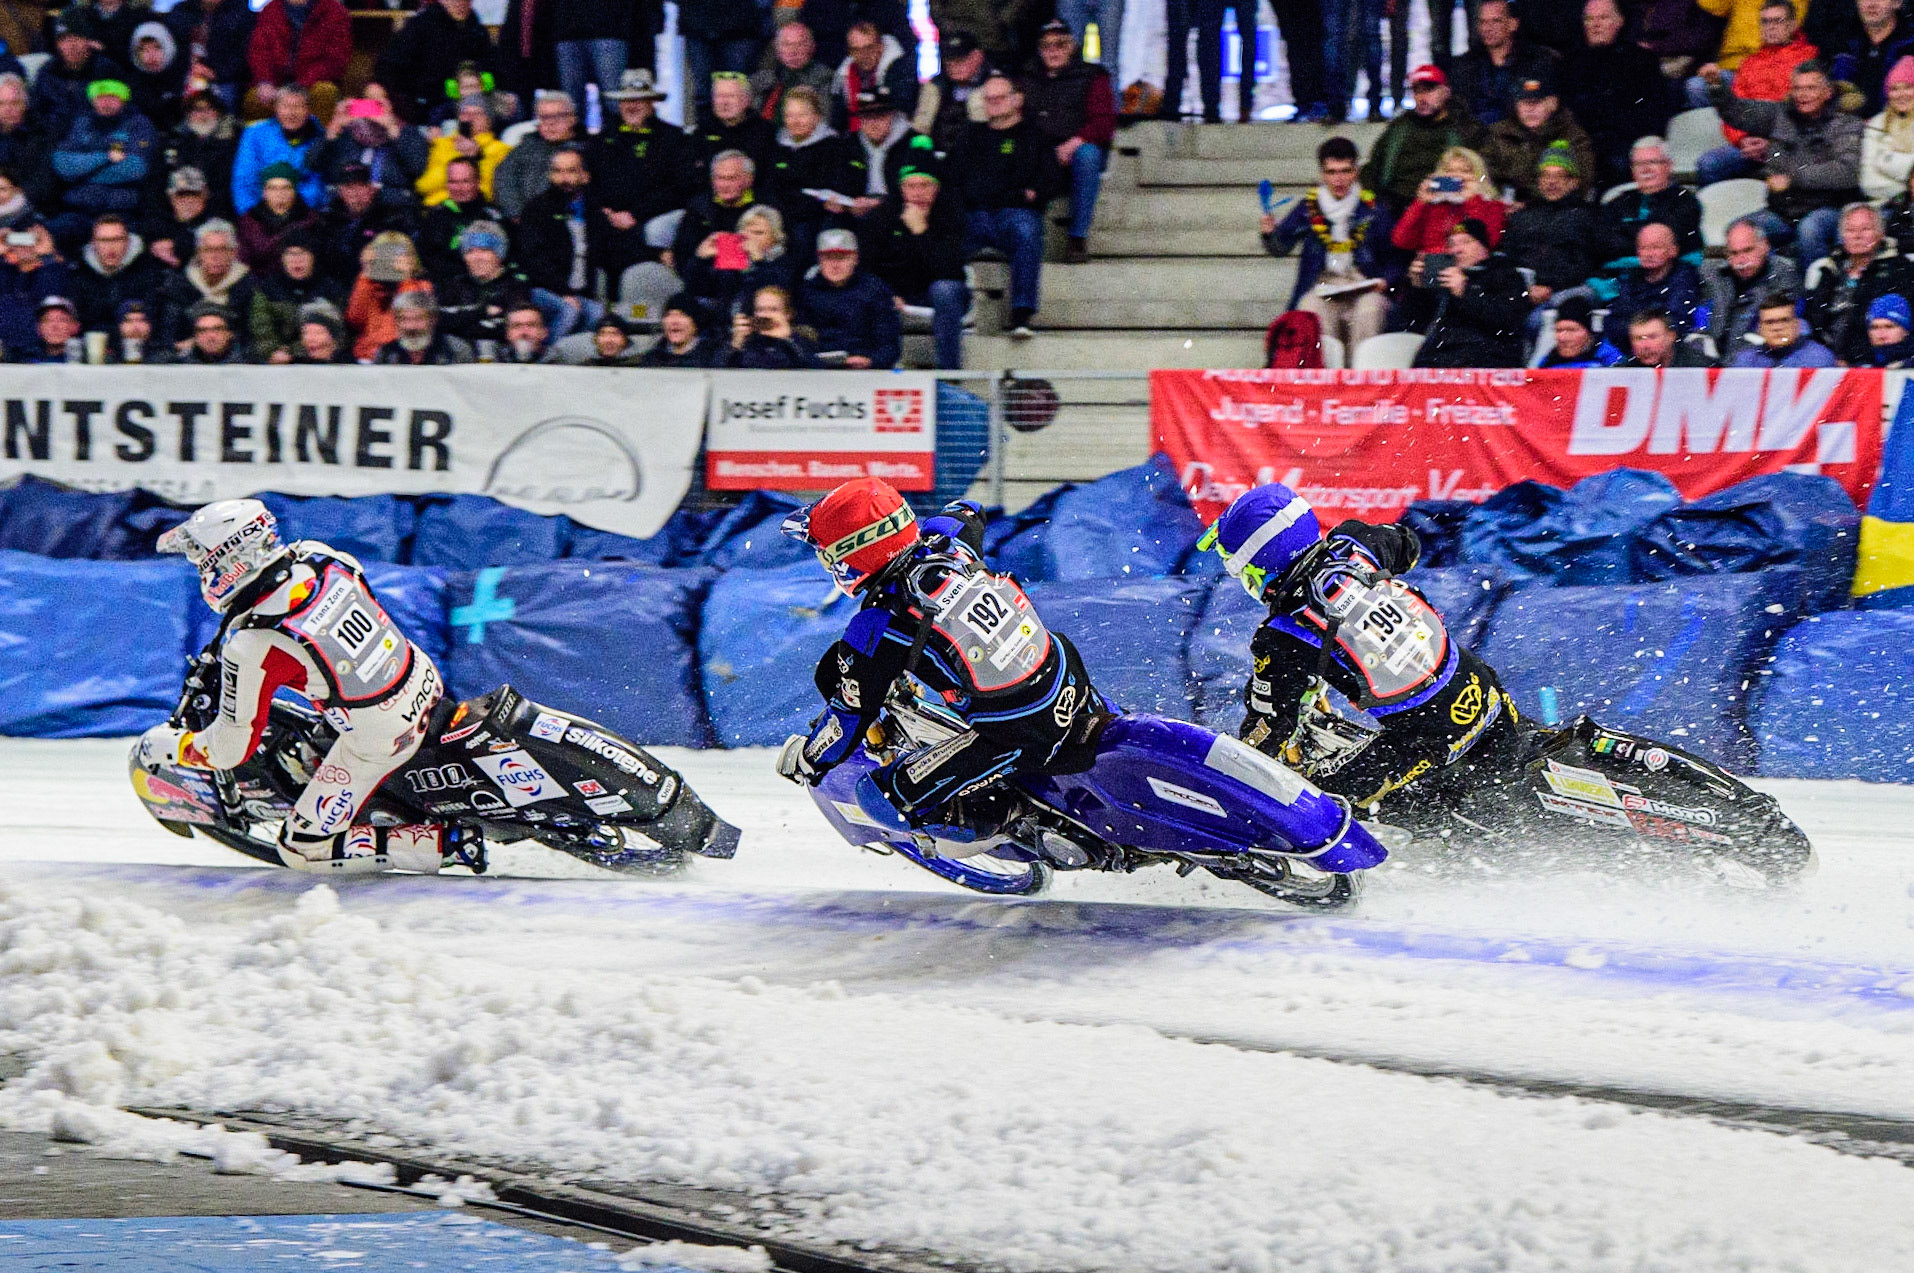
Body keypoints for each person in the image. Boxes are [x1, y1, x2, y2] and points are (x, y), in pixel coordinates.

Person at [778, 479, 1105, 842]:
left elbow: (847, 721)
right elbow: (969, 509)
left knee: (882, 799)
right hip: (1066, 673)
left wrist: (808, 760)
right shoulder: (952, 542)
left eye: (828, 555)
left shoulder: (877, 626)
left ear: (853, 555)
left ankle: (1012, 818)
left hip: (1021, 729)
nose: (828, 565)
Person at [139, 500, 449, 874]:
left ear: (227, 560)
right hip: (420, 676)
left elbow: (230, 749)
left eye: (202, 560)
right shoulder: (322, 557)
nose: (200, 569)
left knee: (300, 850)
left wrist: (177, 748)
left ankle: (444, 844)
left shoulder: (255, 643)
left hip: (382, 737)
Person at [1199, 481, 1521, 813]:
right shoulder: (1355, 541)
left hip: (1429, 737)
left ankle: (1432, 836)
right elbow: (1408, 544)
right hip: (1482, 685)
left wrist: (1229, 782)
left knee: (1312, 799)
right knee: (1513, 766)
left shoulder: (1280, 635)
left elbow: (1267, 733)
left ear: (1258, 568)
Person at [1706, 58, 1862, 266]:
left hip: (1829, 210)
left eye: (1810, 88)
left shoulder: (1848, 123)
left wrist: (1793, 178)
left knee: (1809, 229)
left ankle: (1813, 294)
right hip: (1782, 212)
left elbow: (1846, 172)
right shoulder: (1779, 114)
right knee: (1738, 231)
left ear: (1828, 92)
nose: (1802, 95)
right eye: (1797, 88)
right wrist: (1717, 86)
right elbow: (1737, 112)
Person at [1259, 135, 1393, 357]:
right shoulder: (1308, 207)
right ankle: (1323, 381)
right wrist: (1269, 233)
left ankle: (1360, 381)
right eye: (1332, 172)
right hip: (1324, 285)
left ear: (1355, 172)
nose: (1338, 179)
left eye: (1345, 171)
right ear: (1322, 174)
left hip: (1363, 284)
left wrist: (1386, 280)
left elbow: (1394, 256)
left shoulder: (1373, 208)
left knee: (1370, 311)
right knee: (1309, 310)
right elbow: (1280, 247)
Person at [955, 74, 1050, 338]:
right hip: (976, 214)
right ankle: (959, 312)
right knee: (948, 235)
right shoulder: (970, 136)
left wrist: (1003, 192)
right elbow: (958, 181)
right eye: (989, 99)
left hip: (1016, 215)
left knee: (1027, 232)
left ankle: (1021, 315)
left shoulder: (1034, 136)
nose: (994, 103)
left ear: (1016, 99)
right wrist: (1015, 191)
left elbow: (1045, 181)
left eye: (1000, 97)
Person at [1692, 0, 1818, 186]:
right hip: (1749, 144)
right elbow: (1731, 109)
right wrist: (1742, 140)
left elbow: (1807, 112)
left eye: (1778, 21)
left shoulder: (1809, 60)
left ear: (1792, 24)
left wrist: (1772, 141)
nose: (1771, 27)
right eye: (1765, 22)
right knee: (1707, 164)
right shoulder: (1749, 64)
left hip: (1789, 144)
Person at [1023, 20, 1113, 264]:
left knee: (1088, 154)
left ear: (1072, 46)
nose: (1053, 51)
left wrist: (1073, 143)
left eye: (1060, 44)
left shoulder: (1092, 75)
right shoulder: (1026, 76)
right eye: (1046, 45)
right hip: (1037, 151)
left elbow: (1104, 123)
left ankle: (1077, 238)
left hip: (1074, 151)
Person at [1560, 0, 1675, 189]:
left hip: (1625, 142)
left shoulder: (1642, 60)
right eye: (1589, 19)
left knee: (1618, 163)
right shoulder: (1569, 63)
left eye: (1603, 18)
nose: (1595, 25)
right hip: (1581, 141)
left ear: (1619, 21)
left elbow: (1656, 112)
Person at [865, 163, 969, 370]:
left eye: (924, 185)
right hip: (895, 294)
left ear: (936, 188)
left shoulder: (952, 215)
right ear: (901, 189)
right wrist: (888, 293)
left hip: (937, 292)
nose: (918, 192)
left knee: (945, 290)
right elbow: (870, 265)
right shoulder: (881, 217)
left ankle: (948, 373)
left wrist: (921, 231)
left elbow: (951, 271)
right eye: (911, 186)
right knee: (871, 296)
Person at [1358, 65, 1487, 212]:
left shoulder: (1465, 129)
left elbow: (1482, 175)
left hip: (1445, 206)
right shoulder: (1400, 127)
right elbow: (1373, 166)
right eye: (1417, 91)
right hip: (1394, 204)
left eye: (1429, 90)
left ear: (1446, 92)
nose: (1422, 98)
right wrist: (1373, 197)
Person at [1406, 217, 1532, 367]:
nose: (1456, 250)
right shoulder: (1444, 277)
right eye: (1451, 244)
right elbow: (1411, 324)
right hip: (1441, 358)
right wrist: (1417, 287)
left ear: (1484, 248)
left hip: (1487, 358)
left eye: (1466, 242)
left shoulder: (1506, 275)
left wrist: (1465, 292)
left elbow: (1508, 320)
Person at [517, 144, 610, 335]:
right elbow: (534, 260)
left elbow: (610, 251)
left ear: (585, 176)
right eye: (558, 171)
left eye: (571, 171)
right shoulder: (536, 209)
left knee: (597, 312)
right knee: (569, 311)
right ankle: (548, 358)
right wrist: (563, 292)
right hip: (543, 290)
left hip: (581, 292)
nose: (563, 178)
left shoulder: (595, 211)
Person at [1804, 200, 1914, 362]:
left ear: (1881, 233)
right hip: (1826, 358)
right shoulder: (1830, 269)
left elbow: (1899, 329)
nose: (1857, 236)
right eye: (1850, 230)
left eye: (1866, 229)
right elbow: (1814, 320)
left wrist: (1848, 359)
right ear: (1842, 236)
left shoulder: (1900, 269)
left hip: (1875, 358)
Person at [1499, 142, 1602, 313]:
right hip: (1521, 292)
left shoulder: (1587, 216)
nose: (1551, 182)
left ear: (1574, 182)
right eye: (1546, 176)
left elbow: (1586, 262)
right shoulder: (1522, 216)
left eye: (1560, 176)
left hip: (1565, 292)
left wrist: (1550, 286)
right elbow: (1508, 258)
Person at [50, 78, 157, 237]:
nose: (105, 102)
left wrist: (81, 173)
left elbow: (135, 168)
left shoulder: (138, 124)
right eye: (100, 97)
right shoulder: (81, 124)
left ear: (123, 98)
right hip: (78, 210)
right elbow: (62, 165)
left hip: (122, 211)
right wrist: (105, 158)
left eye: (112, 97)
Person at [373, 0, 497, 125]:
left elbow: (491, 73)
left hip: (473, 111)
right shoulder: (419, 27)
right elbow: (389, 67)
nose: (460, 3)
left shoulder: (478, 31)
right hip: (425, 114)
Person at [1482, 76, 1596, 202]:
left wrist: (1530, 203)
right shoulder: (1498, 135)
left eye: (1537, 102)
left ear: (1553, 103)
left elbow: (1582, 180)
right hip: (1506, 206)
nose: (1530, 109)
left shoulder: (1573, 136)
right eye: (1524, 103)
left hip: (1556, 208)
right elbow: (1483, 175)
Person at [1447, 0, 1562, 126]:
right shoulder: (1465, 65)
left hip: (1521, 139)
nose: (1487, 28)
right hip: (1475, 141)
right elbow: (1458, 111)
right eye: (1483, 22)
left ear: (1513, 24)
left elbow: (1550, 108)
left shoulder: (1538, 61)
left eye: (1496, 21)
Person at [798, 226, 900, 368]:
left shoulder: (875, 290)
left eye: (842, 258)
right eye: (828, 258)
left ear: (855, 258)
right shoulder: (807, 292)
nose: (835, 265)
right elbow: (802, 339)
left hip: (866, 369)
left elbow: (889, 343)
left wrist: (872, 362)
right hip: (818, 371)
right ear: (819, 260)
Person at [1598, 137, 1706, 269]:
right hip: (1617, 276)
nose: (1645, 169)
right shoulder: (1619, 202)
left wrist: (1625, 235)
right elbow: (1601, 242)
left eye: (1652, 162)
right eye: (1638, 164)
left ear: (1668, 166)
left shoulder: (1685, 201)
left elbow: (1663, 243)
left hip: (1669, 277)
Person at [1703, 215, 1803, 345]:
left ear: (1765, 246)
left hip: (1759, 358)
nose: (1741, 260)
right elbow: (1699, 315)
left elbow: (1780, 331)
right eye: (1734, 253)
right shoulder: (1712, 274)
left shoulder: (1784, 277)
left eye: (1748, 250)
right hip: (1708, 359)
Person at [245, 0, 349, 124]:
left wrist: (300, 86)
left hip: (313, 83)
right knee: (254, 99)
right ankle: (262, 142)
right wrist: (265, 81)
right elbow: (259, 50)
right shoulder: (270, 10)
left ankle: (320, 141)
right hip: (277, 83)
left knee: (325, 92)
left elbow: (335, 59)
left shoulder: (334, 11)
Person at [317, 85, 428, 201]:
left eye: (378, 102)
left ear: (390, 104)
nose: (373, 106)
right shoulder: (347, 132)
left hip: (392, 204)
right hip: (349, 203)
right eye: (368, 101)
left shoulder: (407, 133)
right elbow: (313, 164)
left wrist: (393, 130)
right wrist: (332, 130)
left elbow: (417, 168)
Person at [1389, 145, 1505, 255]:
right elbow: (1401, 241)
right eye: (1449, 171)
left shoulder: (1493, 206)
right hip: (1433, 266)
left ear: (1478, 176)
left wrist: (1472, 202)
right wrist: (1420, 203)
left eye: (1465, 171)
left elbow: (1487, 243)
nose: (1457, 176)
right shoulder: (1433, 205)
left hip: (1471, 270)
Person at [314, 160, 413, 287]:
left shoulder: (390, 219)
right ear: (340, 191)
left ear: (371, 189)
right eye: (349, 187)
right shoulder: (326, 220)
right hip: (333, 289)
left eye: (361, 186)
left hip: (376, 288)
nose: (355, 193)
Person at [231, 82, 325, 214]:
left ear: (308, 110)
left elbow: (316, 183)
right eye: (285, 106)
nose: (291, 113)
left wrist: (296, 214)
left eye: (298, 106)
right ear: (276, 108)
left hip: (302, 215)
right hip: (259, 214)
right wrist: (251, 217)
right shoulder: (254, 133)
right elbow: (244, 181)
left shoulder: (319, 136)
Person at [159, 216, 256, 343]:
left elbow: (251, 336)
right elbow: (169, 336)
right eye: (209, 250)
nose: (215, 256)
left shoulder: (250, 287)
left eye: (222, 249)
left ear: (233, 253)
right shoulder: (179, 286)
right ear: (198, 253)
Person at [250, 229, 341, 360]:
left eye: (303, 253)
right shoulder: (267, 290)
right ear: (282, 258)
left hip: (321, 359)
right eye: (290, 254)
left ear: (313, 256)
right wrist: (273, 352)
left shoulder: (331, 290)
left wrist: (293, 353)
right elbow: (261, 329)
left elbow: (339, 334)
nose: (297, 260)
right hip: (276, 361)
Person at [70, 211, 167, 334]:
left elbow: (153, 317)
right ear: (93, 244)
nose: (111, 247)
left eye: (117, 239)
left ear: (128, 241)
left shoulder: (148, 272)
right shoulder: (79, 274)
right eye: (104, 240)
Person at [414, 155, 504, 284]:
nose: (459, 188)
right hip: (445, 284)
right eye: (453, 182)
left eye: (465, 181)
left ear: (477, 182)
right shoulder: (436, 215)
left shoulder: (493, 216)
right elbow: (427, 257)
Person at [493, 91, 578, 221]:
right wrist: (517, 213)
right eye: (544, 117)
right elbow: (504, 177)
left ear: (573, 119)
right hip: (521, 220)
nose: (551, 123)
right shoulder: (525, 147)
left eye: (558, 116)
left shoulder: (586, 149)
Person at [1610, 221, 1706, 332]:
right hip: (1632, 341)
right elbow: (1616, 319)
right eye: (1643, 248)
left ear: (1673, 250)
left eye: (1656, 247)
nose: (1649, 254)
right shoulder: (1630, 278)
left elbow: (1677, 321)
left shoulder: (1686, 279)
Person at [164, 0, 255, 111]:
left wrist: (214, 73)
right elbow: (171, 52)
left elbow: (244, 56)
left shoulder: (241, 12)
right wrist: (189, 69)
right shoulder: (180, 12)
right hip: (184, 75)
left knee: (226, 96)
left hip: (224, 79)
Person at [417, 96, 507, 207]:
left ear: (489, 120)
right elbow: (423, 186)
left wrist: (477, 157)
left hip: (474, 210)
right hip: (436, 209)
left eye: (477, 114)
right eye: (464, 113)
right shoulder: (442, 144)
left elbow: (487, 192)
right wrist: (457, 155)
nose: (469, 118)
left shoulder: (500, 150)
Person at [679, 0, 759, 127]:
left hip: (740, 22)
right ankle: (706, 139)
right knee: (703, 94)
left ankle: (743, 141)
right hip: (696, 21)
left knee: (739, 92)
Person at [830, 19, 918, 132]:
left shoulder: (901, 71)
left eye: (869, 48)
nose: (864, 55)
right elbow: (838, 119)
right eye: (856, 50)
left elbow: (901, 108)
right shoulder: (844, 76)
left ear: (880, 46)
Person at [1829, 0, 1914, 116]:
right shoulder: (1841, 41)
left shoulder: (1910, 43)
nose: (1871, 4)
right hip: (1846, 126)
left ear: (1897, 2)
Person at [160, 91, 239, 212]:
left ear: (218, 113)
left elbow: (228, 187)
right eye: (197, 109)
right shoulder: (174, 143)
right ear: (188, 114)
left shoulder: (233, 145)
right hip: (174, 210)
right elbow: (161, 179)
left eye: (209, 109)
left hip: (217, 211)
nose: (203, 115)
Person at [913, 28, 991, 151]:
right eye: (949, 61)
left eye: (960, 60)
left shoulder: (995, 84)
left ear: (977, 56)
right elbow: (919, 131)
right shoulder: (935, 88)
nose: (954, 66)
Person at [694, 72, 780, 179]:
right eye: (719, 96)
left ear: (746, 100)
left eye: (731, 96)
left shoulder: (766, 132)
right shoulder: (702, 131)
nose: (724, 102)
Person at [235, 162, 317, 268]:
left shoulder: (311, 220)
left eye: (286, 188)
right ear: (264, 192)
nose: (279, 194)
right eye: (272, 188)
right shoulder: (248, 222)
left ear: (295, 191)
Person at [753, 20, 833, 122]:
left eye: (800, 44)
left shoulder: (825, 78)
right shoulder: (766, 76)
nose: (793, 51)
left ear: (812, 47)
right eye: (787, 45)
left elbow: (823, 120)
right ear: (777, 49)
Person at [722, 283, 818, 367]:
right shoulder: (747, 342)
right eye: (760, 310)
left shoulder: (802, 339)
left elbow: (817, 370)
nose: (765, 315)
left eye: (773, 309)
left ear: (787, 314)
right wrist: (735, 346)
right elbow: (716, 372)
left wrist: (788, 339)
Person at [1731, 290, 1837, 364]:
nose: (1777, 328)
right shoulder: (1745, 361)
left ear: (1797, 324)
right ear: (1759, 329)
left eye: (1784, 320)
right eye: (1770, 322)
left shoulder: (1819, 359)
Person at [372, 288, 472, 364]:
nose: (411, 327)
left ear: (433, 320)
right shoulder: (386, 354)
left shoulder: (456, 350)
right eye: (404, 319)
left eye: (418, 319)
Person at [1862, 55, 1914, 199]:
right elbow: (1869, 182)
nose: (1901, 94)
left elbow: (1883, 164)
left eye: (1908, 87)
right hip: (1885, 207)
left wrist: (1885, 161)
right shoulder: (1876, 124)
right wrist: (1907, 188)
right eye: (1894, 89)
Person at [1538, 294, 1625, 365]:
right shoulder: (1548, 361)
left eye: (1571, 330)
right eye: (1558, 330)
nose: (1562, 337)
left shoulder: (1610, 359)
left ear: (1589, 333)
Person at [1622, 305, 1720, 365]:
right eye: (1638, 338)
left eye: (1652, 337)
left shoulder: (1700, 368)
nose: (1645, 345)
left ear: (1671, 336)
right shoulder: (1623, 374)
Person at [639, 293, 720, 366]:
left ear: (695, 324)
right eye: (668, 315)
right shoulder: (652, 359)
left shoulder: (714, 356)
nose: (674, 321)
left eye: (682, 315)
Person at [18, 294, 83, 361]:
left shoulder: (87, 360)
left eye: (62, 320)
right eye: (47, 320)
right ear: (39, 328)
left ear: (75, 326)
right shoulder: (25, 360)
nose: (55, 326)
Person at [498, 297, 558, 363]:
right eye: (517, 326)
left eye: (531, 325)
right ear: (507, 333)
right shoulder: (495, 363)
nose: (524, 332)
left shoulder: (561, 363)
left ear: (544, 332)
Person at [1864, 291, 1914, 364]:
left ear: (1905, 330)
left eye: (1889, 327)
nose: (1880, 333)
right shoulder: (1861, 365)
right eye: (1874, 327)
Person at [105, 295, 157, 362]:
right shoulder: (108, 357)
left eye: (141, 321)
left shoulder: (162, 357)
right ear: (119, 326)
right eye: (129, 321)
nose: (136, 327)